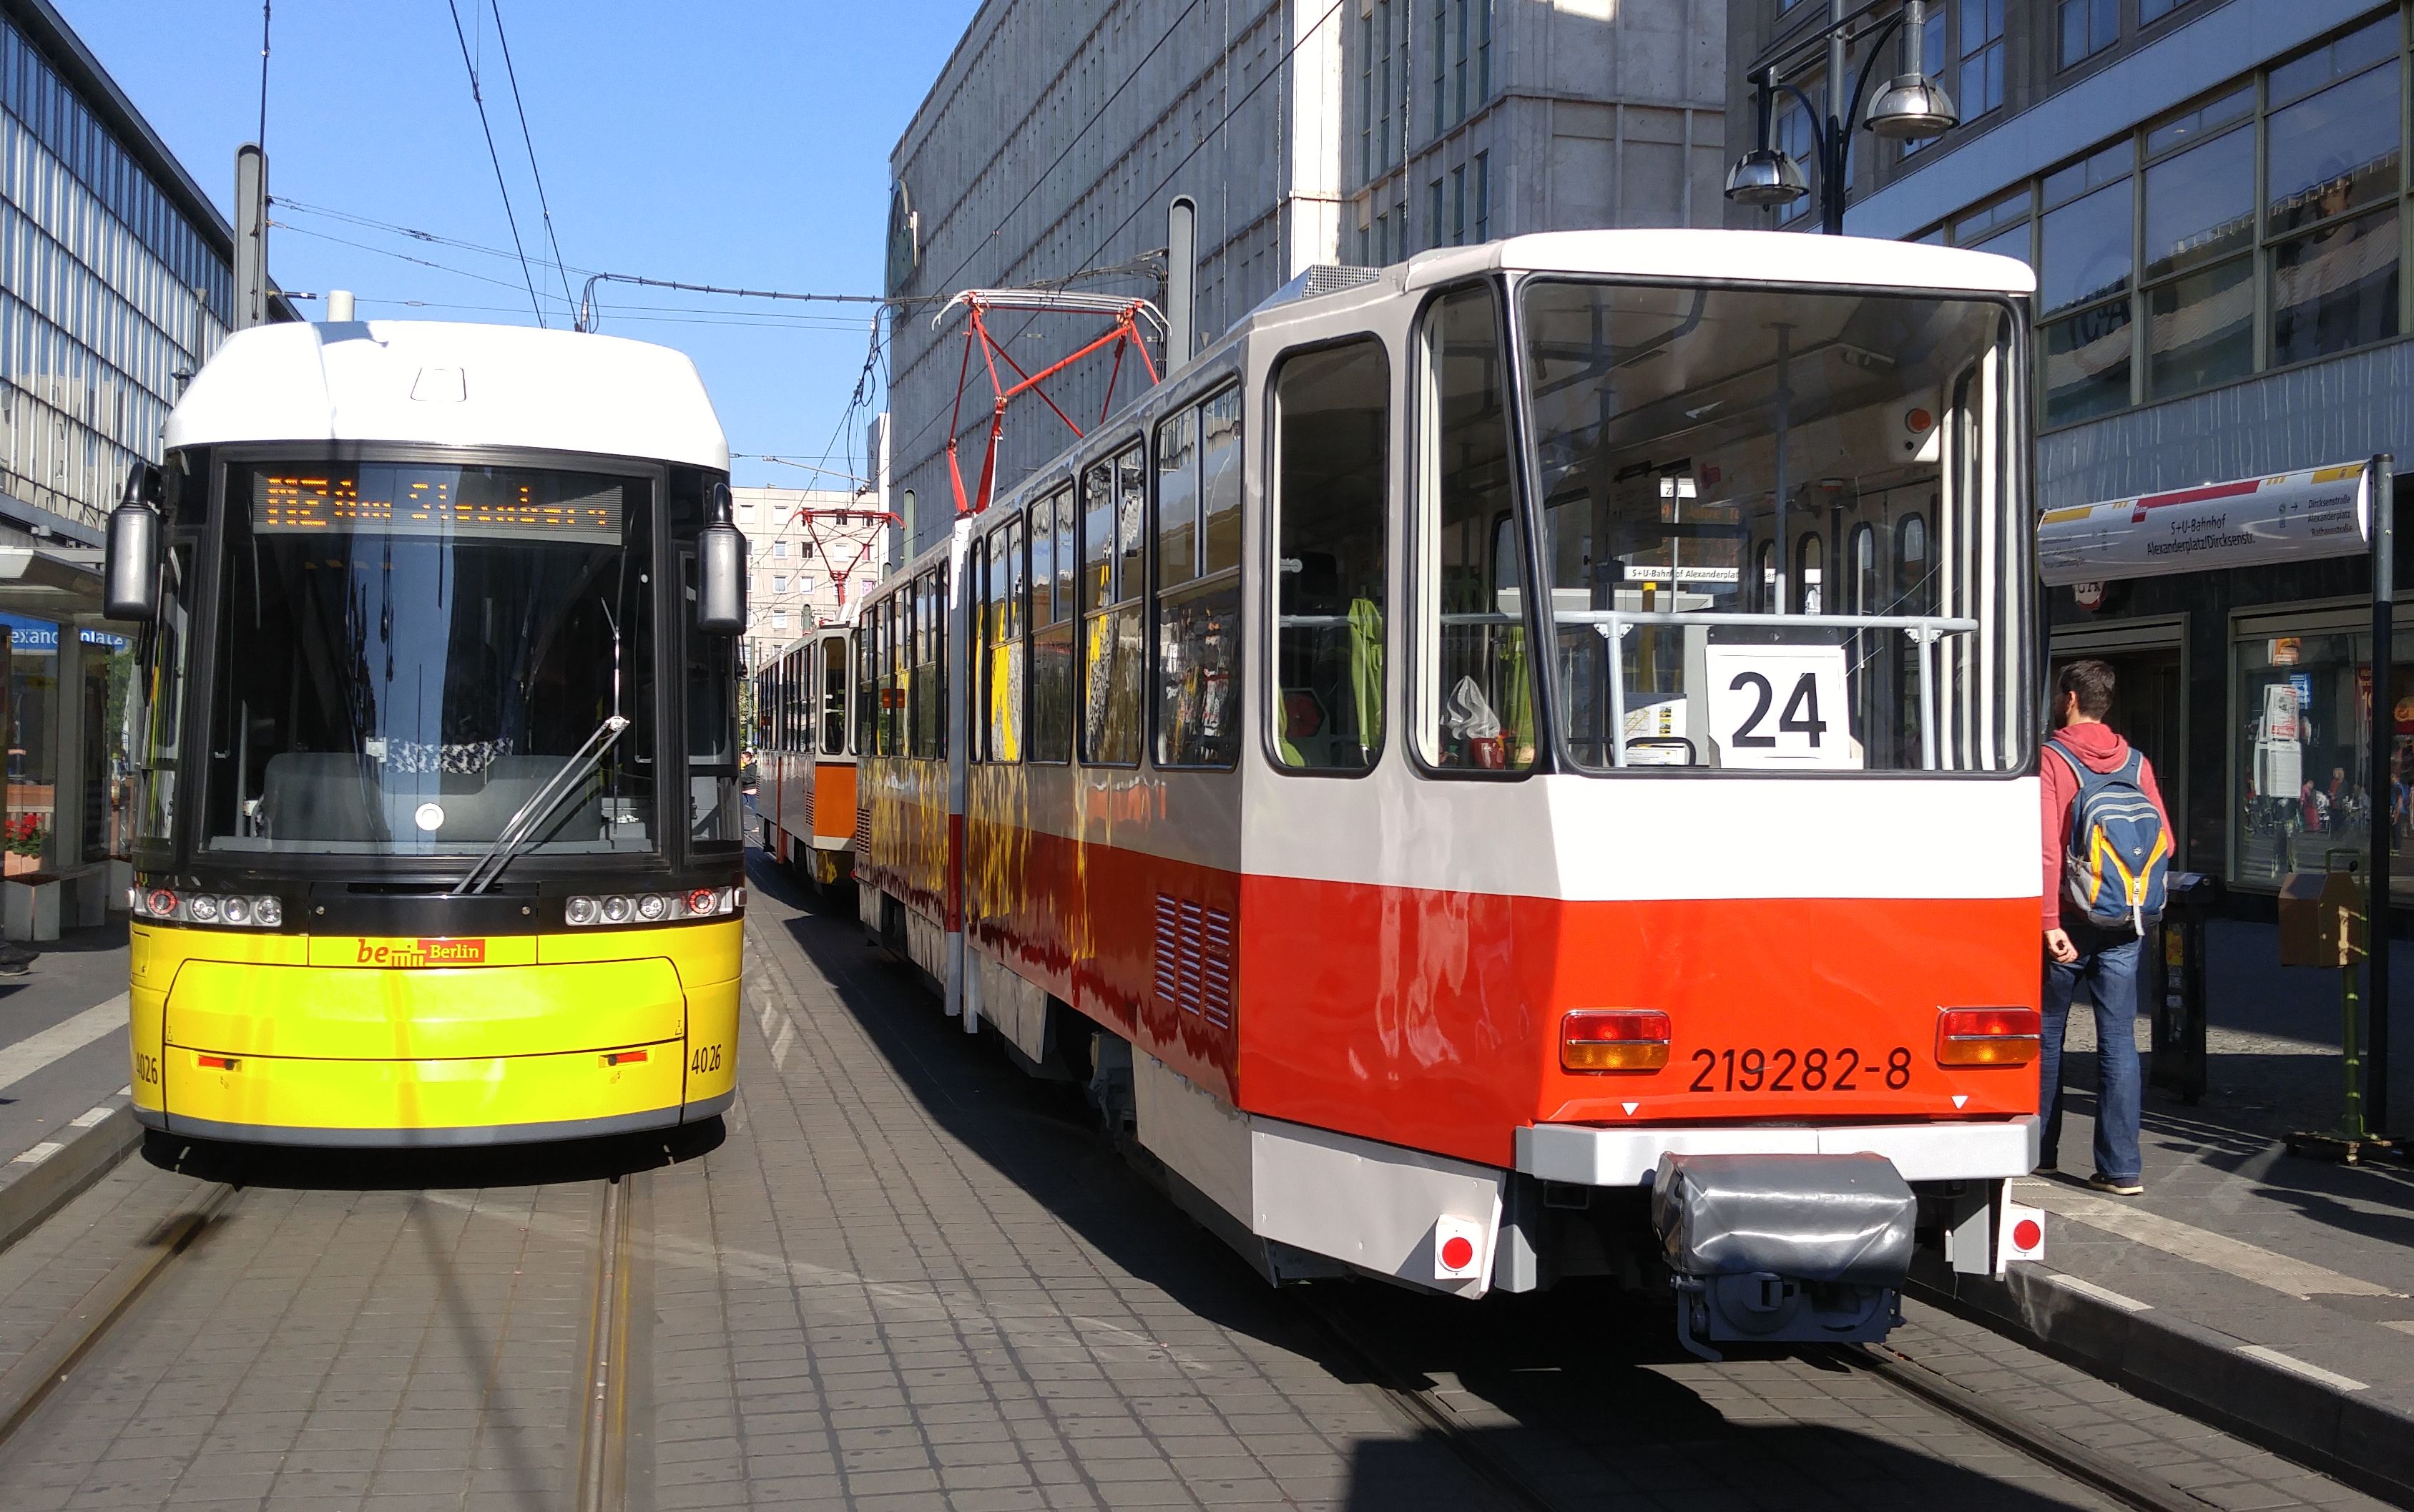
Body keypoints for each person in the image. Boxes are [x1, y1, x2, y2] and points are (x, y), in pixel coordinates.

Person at [2041, 659, 2172, 1197]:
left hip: (2068, 920)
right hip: (2124, 920)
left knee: (2048, 1036)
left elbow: (2048, 850)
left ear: (2068, 698)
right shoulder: (2136, 762)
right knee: (2117, 1040)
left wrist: (2048, 920)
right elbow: (2164, 838)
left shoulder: (2052, 758)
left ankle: (2041, 1153)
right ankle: (2121, 1168)